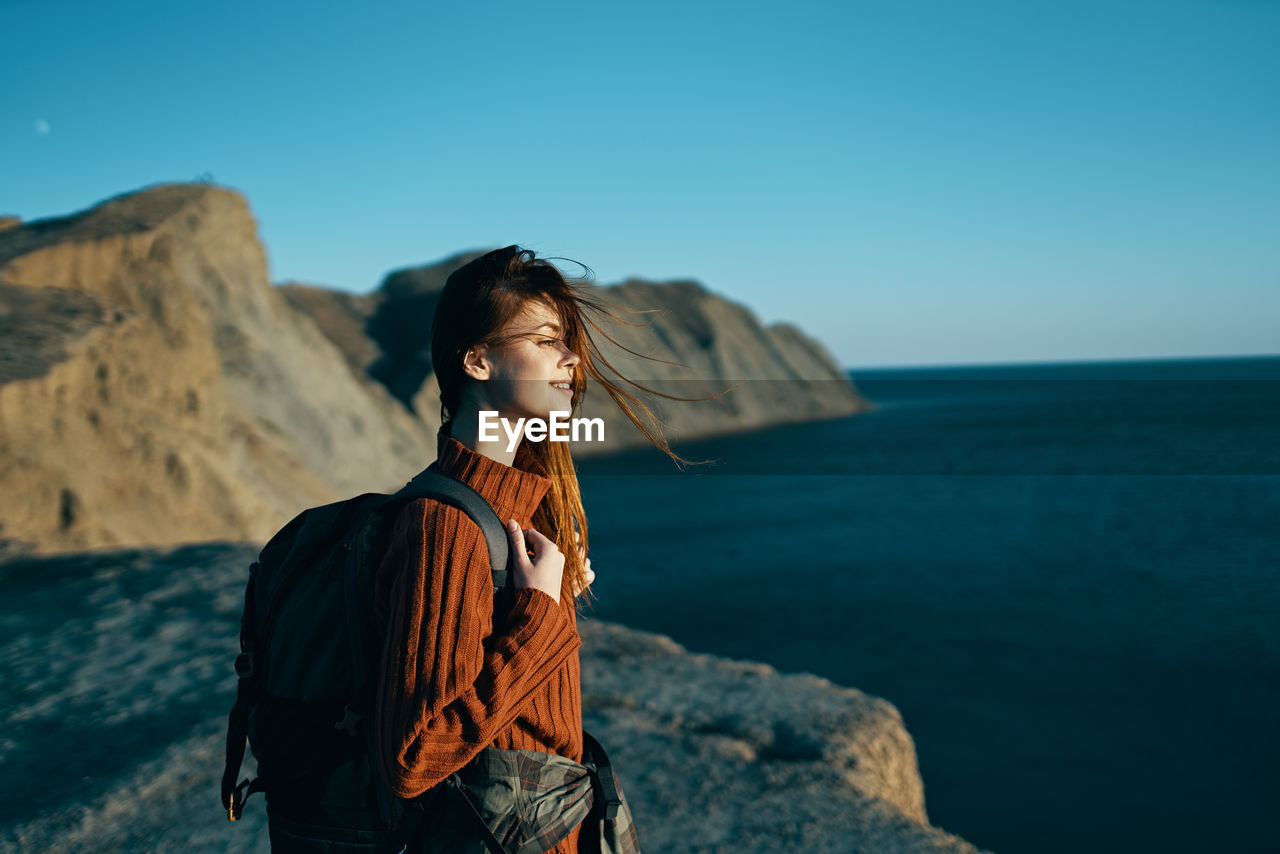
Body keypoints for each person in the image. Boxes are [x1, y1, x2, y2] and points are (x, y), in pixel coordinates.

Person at [369, 245, 712, 853]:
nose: (570, 359)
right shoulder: (444, 526)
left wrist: (552, 597)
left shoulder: (518, 508)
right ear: (476, 361)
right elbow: (415, 757)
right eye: (547, 340)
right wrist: (541, 613)